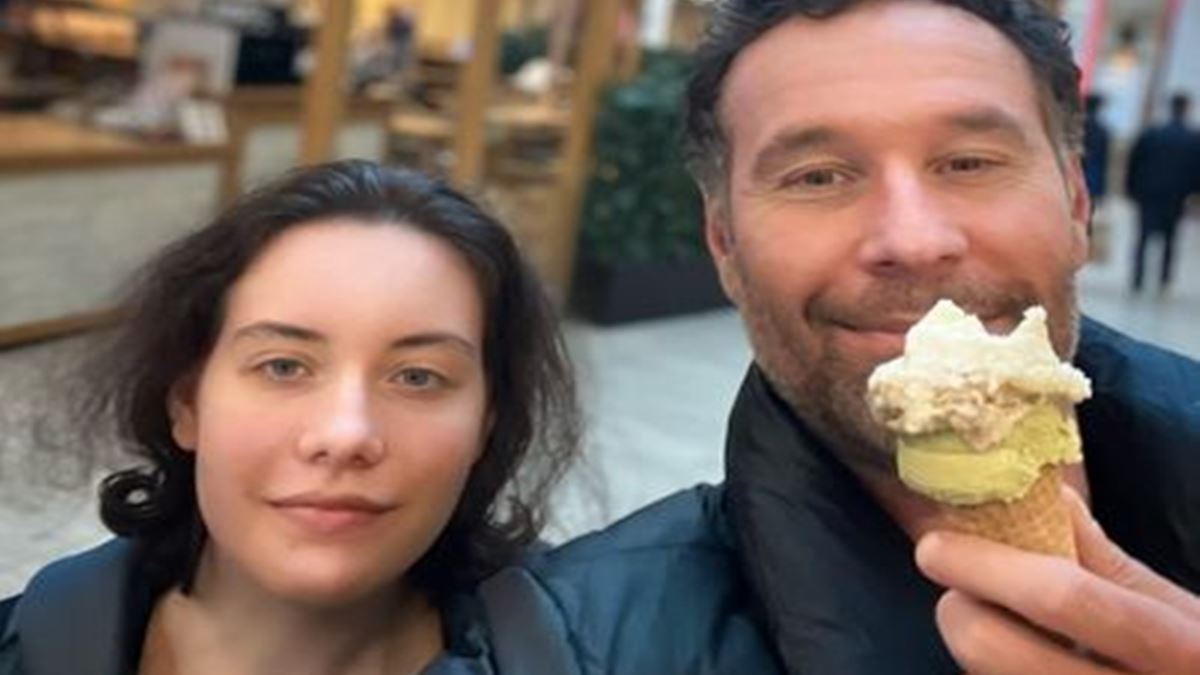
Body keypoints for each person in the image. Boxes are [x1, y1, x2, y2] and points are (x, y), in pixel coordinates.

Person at [509, 1, 1200, 673]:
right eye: (818, 177)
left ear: (1077, 205)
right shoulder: (564, 646)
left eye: (969, 163)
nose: (913, 241)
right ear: (725, 246)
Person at [0, 160, 580, 675]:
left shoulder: (569, 647)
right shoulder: (34, 645)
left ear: (485, 424)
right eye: (283, 366)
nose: (345, 434)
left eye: (417, 377)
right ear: (187, 402)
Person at [1126, 93, 1200, 293]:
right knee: (1171, 238)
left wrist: (1131, 189)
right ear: (1186, 109)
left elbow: (1134, 163)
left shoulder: (1152, 134)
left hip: (1149, 193)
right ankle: (1164, 279)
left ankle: (1138, 278)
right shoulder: (1193, 138)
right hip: (1177, 196)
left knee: (1143, 236)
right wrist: (1194, 195)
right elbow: (1197, 169)